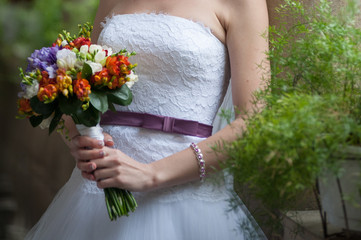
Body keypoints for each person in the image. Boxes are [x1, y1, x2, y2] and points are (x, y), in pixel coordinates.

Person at [26, 0, 269, 239]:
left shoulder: (244, 3)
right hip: (98, 193)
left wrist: (151, 174)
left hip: (186, 198)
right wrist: (79, 138)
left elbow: (254, 122)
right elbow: (88, 84)